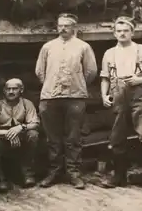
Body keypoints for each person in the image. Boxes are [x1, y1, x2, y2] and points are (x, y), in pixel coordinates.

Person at [99, 16, 142, 191]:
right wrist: (104, 95)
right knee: (117, 138)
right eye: (118, 31)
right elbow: (104, 77)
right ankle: (119, 176)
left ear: (132, 32)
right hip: (118, 95)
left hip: (140, 96)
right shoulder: (109, 53)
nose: (122, 33)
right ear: (114, 33)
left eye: (125, 30)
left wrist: (139, 79)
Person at [35, 13, 98, 189]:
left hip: (75, 98)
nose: (62, 28)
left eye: (66, 26)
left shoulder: (83, 47)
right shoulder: (48, 47)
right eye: (60, 25)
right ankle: (54, 171)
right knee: (52, 138)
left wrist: (76, 85)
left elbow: (91, 71)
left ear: (74, 28)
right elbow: (40, 71)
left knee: (73, 137)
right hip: (50, 97)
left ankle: (73, 172)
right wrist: (51, 84)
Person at [0, 78, 40, 191]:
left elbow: (35, 123)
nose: (11, 92)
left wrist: (20, 128)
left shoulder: (27, 104)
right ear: (4, 90)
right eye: (8, 89)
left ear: (21, 90)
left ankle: (27, 174)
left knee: (33, 134)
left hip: (21, 134)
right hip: (1, 136)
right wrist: (8, 133)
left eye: (15, 89)